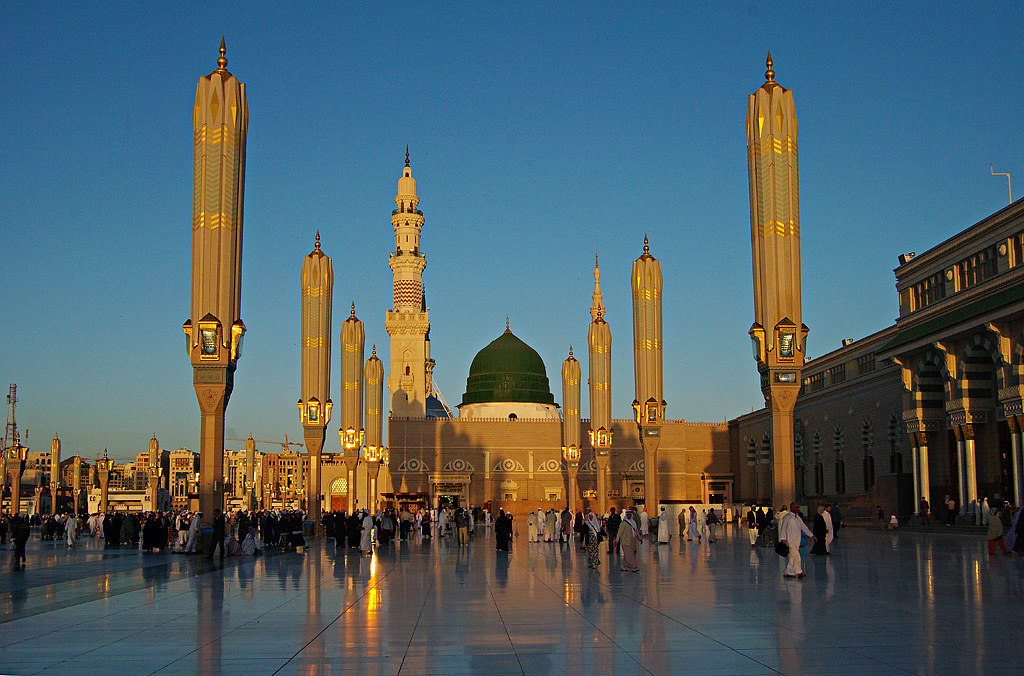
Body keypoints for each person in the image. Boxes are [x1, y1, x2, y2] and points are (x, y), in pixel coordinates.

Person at [779, 502, 814, 578]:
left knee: (793, 557)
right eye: (796, 507)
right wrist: (783, 538)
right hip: (789, 540)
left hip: (797, 540)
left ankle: (789, 572)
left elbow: (804, 527)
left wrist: (811, 535)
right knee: (795, 556)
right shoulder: (787, 517)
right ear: (791, 508)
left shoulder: (798, 518)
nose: (798, 509)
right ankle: (797, 571)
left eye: (798, 507)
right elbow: (783, 528)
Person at [619, 508, 641, 572]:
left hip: (632, 540)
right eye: (627, 515)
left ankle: (624, 566)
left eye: (630, 515)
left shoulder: (633, 522)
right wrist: (617, 540)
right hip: (625, 541)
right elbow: (620, 532)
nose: (629, 516)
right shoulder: (624, 523)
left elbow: (635, 531)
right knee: (629, 555)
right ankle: (634, 566)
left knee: (628, 553)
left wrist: (640, 538)